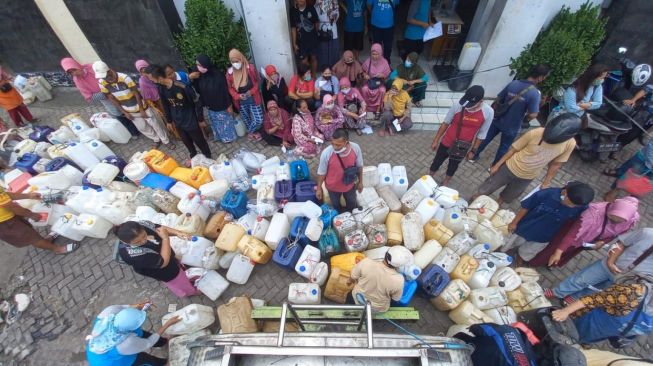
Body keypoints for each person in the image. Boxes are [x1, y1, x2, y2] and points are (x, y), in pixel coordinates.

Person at [472, 113, 581, 205]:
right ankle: (471, 202)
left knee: (507, 197)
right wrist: (497, 166)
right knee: (485, 190)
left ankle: (494, 207)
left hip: (527, 178)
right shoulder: (536, 132)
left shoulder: (570, 144)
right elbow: (513, 150)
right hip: (509, 168)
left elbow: (556, 164)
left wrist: (546, 182)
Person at [550, 228, 653, 304]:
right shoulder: (647, 233)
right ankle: (557, 292)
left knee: (596, 290)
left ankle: (572, 299)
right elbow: (621, 243)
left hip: (626, 280)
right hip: (608, 266)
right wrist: (610, 262)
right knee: (581, 280)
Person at [472, 64, 550, 165]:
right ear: (540, 77)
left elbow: (499, 98)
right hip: (513, 125)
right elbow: (533, 114)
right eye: (545, 77)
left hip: (498, 119)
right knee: (504, 147)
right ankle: (494, 166)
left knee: (486, 139)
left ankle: (473, 156)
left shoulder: (513, 83)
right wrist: (525, 119)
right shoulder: (535, 93)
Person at [530, 196, 639, 268]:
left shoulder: (630, 220)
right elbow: (572, 234)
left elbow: (616, 234)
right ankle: (533, 264)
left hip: (589, 240)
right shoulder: (593, 213)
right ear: (611, 208)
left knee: (570, 252)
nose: (614, 222)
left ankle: (552, 264)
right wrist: (558, 252)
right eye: (612, 217)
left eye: (619, 221)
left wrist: (602, 242)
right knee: (554, 249)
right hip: (574, 234)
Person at [502, 182, 594, 265]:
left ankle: (521, 256)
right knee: (513, 242)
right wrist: (514, 223)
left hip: (546, 235)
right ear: (565, 193)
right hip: (526, 227)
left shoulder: (581, 207)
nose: (572, 207)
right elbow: (526, 207)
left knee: (530, 249)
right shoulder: (547, 194)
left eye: (575, 206)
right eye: (570, 204)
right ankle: (502, 251)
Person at [552, 273, 653, 345]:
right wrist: (565, 311)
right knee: (555, 337)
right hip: (583, 321)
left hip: (599, 334)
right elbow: (592, 299)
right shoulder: (634, 293)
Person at [94, 61, 172, 148]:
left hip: (142, 107)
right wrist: (124, 112)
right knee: (142, 128)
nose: (104, 79)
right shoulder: (101, 82)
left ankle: (166, 141)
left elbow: (136, 93)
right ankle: (156, 139)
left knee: (155, 124)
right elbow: (111, 98)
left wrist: (141, 109)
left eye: (104, 76)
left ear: (108, 71)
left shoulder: (124, 78)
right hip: (128, 110)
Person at [429, 85, 493, 186]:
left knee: (453, 165)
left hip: (462, 146)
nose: (467, 106)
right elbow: (446, 123)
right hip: (447, 141)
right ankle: (430, 177)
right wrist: (436, 140)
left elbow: (482, 133)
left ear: (481, 101)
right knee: (437, 161)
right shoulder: (457, 105)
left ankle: (446, 182)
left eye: (471, 104)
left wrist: (473, 150)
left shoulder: (488, 112)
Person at [147, 64, 211, 164]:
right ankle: (194, 158)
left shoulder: (182, 87)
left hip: (191, 121)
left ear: (159, 78)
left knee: (200, 142)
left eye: (152, 79)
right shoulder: (161, 88)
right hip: (178, 122)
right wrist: (169, 121)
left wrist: (200, 119)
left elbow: (197, 102)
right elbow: (166, 105)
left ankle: (208, 158)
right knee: (187, 142)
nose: (152, 81)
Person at [115, 221, 197, 297]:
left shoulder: (142, 224)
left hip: (168, 257)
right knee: (178, 281)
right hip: (163, 271)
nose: (144, 241)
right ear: (126, 242)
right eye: (137, 242)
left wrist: (178, 233)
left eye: (144, 235)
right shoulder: (131, 255)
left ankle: (185, 275)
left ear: (142, 228)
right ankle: (190, 292)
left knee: (178, 267)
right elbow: (163, 262)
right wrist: (165, 239)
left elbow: (160, 229)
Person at [60, 57, 140, 137]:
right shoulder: (77, 80)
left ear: (76, 65)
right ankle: (134, 132)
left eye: (74, 70)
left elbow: (110, 74)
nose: (74, 73)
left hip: (118, 90)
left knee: (131, 107)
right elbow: (89, 98)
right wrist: (106, 93)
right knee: (118, 114)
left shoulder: (93, 67)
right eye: (71, 73)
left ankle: (141, 126)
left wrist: (114, 88)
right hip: (106, 98)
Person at [86, 303, 181, 366]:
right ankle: (164, 364)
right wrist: (167, 325)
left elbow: (124, 307)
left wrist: (138, 305)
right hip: (108, 362)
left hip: (98, 345)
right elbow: (148, 343)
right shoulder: (126, 344)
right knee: (143, 358)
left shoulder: (110, 311)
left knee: (141, 333)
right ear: (129, 330)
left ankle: (164, 342)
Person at [0, 187, 78, 254]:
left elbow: (5, 195)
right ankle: (56, 249)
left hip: (7, 216)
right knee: (29, 236)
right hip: (3, 223)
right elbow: (12, 206)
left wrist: (29, 195)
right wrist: (31, 215)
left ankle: (45, 241)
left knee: (28, 231)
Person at [347, 245, 410, 312]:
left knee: (349, 295)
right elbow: (395, 299)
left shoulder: (366, 262)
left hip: (357, 299)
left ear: (386, 254)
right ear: (399, 266)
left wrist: (349, 282)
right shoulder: (399, 280)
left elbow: (352, 277)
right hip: (377, 309)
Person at [191, 55, 237, 143]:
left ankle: (229, 138)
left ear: (206, 64)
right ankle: (220, 137)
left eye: (200, 65)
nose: (198, 67)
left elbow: (225, 90)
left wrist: (229, 105)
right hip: (210, 106)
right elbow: (198, 90)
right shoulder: (198, 75)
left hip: (222, 105)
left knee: (225, 124)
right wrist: (192, 79)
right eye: (197, 64)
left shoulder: (217, 75)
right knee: (216, 124)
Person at [316, 128, 364, 213]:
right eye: (332, 144)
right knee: (336, 205)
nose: (334, 147)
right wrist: (319, 188)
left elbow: (359, 166)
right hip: (333, 187)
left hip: (350, 185)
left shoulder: (356, 148)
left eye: (338, 145)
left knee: (352, 203)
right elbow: (322, 173)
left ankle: (351, 214)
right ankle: (338, 214)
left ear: (346, 142)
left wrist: (360, 182)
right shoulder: (326, 153)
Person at [225, 48, 263, 141]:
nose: (235, 64)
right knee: (246, 119)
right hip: (241, 101)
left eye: (237, 61)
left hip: (253, 99)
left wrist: (251, 92)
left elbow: (258, 81)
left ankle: (250, 132)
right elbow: (230, 88)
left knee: (259, 119)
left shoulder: (250, 69)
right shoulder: (229, 73)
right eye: (233, 62)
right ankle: (253, 133)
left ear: (241, 58)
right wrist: (237, 96)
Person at [360, 43, 392, 118]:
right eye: (373, 54)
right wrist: (365, 75)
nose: (375, 56)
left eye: (377, 54)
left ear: (380, 53)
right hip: (370, 82)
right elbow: (362, 71)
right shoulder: (368, 61)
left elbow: (388, 76)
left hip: (380, 83)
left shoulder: (384, 62)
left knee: (382, 90)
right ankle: (366, 108)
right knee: (364, 89)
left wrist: (382, 75)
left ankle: (378, 109)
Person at [290, 0, 319, 74]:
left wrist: (315, 34)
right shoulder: (293, 11)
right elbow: (293, 28)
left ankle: (314, 76)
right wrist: (294, 43)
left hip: (313, 39)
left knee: (313, 58)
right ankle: (305, 78)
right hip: (301, 41)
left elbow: (316, 22)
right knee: (304, 61)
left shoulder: (311, 8)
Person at [315, 0, 340, 69]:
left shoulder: (334, 1)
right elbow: (316, 14)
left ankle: (334, 68)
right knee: (323, 50)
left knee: (334, 49)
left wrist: (332, 15)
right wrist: (326, 15)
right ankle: (324, 70)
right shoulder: (318, 1)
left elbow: (337, 14)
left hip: (332, 26)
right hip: (322, 27)